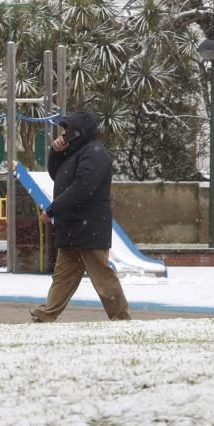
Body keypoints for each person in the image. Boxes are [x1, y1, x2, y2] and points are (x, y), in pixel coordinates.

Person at [30, 111, 131, 322]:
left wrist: (52, 209)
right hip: (72, 225)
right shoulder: (74, 152)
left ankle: (121, 317)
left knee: (102, 276)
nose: (64, 134)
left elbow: (82, 188)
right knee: (63, 276)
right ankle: (47, 314)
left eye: (67, 130)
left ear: (79, 131)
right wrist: (56, 152)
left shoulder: (95, 154)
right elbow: (56, 174)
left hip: (89, 225)